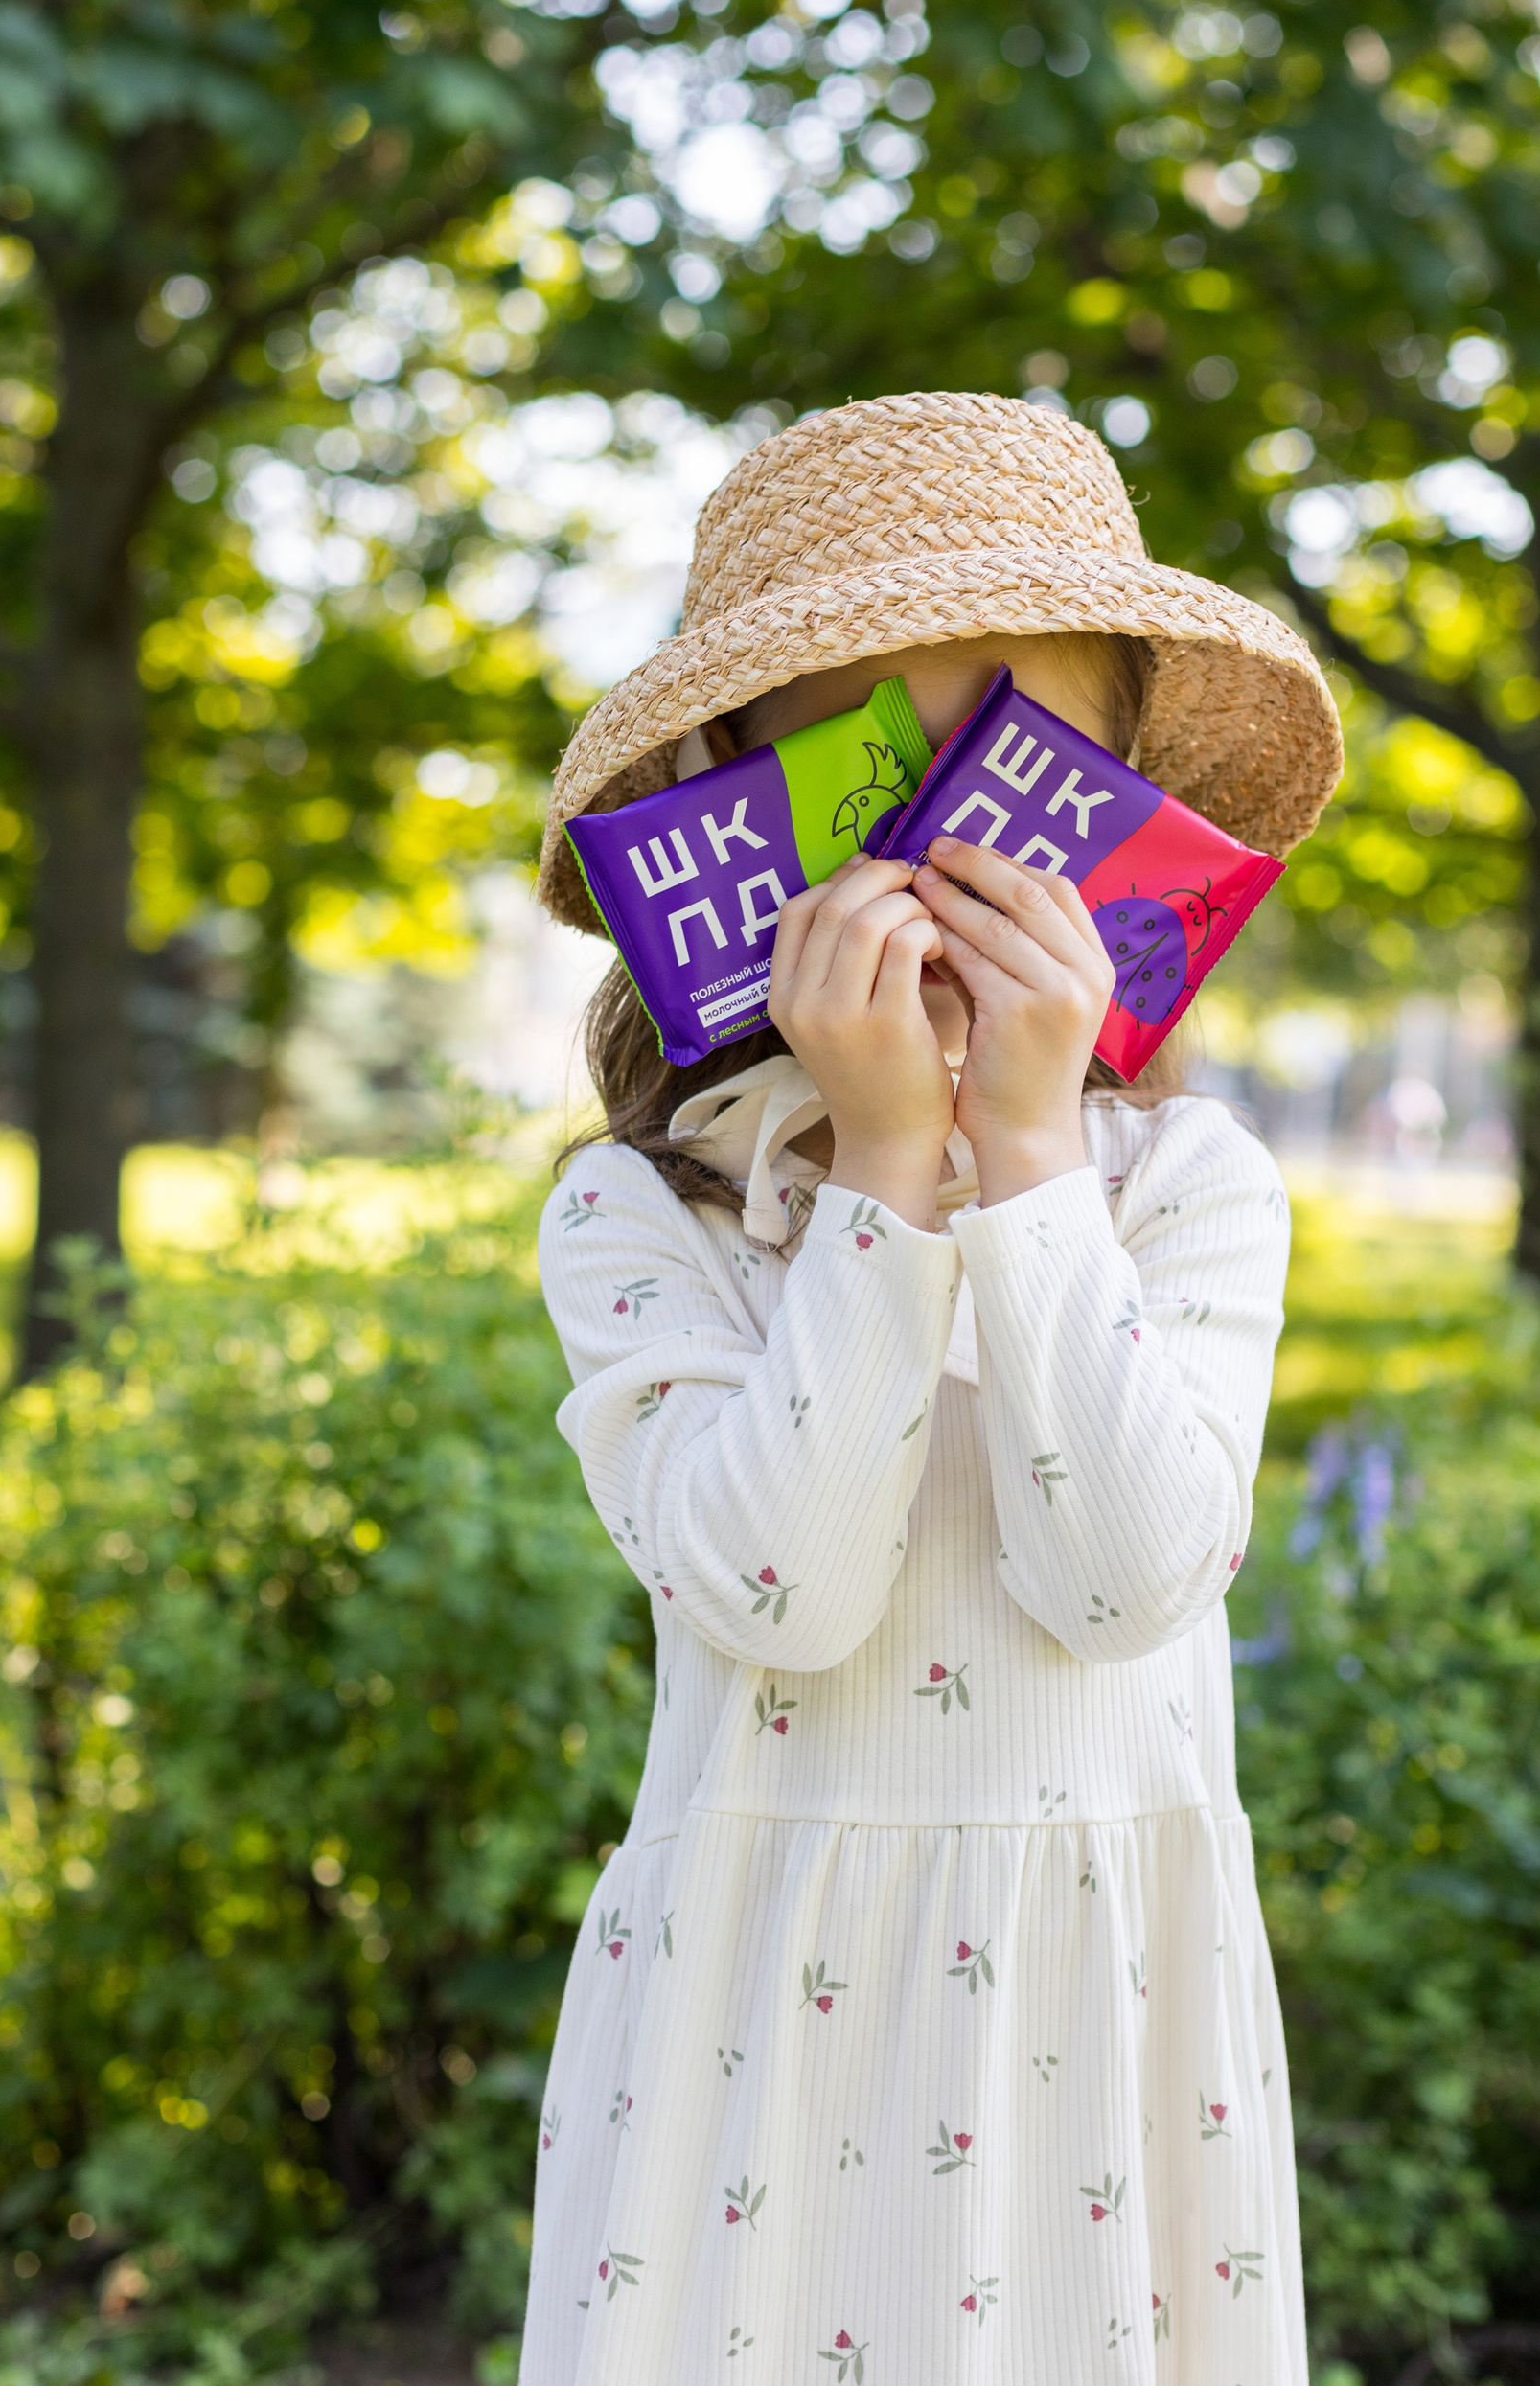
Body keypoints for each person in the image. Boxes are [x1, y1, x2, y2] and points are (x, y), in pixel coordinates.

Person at [520, 391, 1343, 2384]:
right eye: (878, 782)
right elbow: (781, 1591)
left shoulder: (1187, 1189)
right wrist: (886, 1169)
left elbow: (1132, 1580)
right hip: (755, 2035)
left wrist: (1033, 1161)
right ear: (732, 816)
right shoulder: (650, 1213)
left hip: (1096, 2036)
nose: (949, 876)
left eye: (1021, 781)